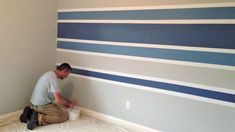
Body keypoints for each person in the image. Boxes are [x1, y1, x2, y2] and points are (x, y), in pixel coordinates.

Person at [20, 63, 77, 130]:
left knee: (60, 107)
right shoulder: (53, 79)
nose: (67, 76)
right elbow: (58, 99)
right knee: (63, 116)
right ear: (64, 71)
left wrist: (65, 104)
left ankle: (30, 113)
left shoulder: (50, 74)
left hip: (34, 104)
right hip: (40, 105)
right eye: (68, 74)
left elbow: (54, 97)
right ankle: (38, 119)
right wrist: (70, 103)